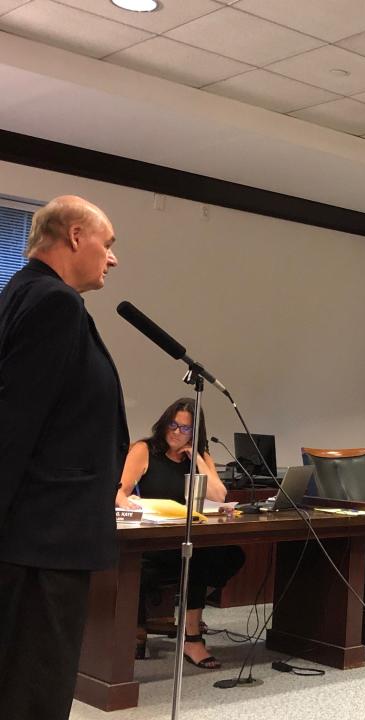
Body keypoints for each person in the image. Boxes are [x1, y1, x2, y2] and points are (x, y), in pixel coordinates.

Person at [0, 195, 127, 719]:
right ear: (76, 236)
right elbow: (14, 425)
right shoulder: (54, 303)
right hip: (43, 543)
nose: (112, 258)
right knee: (34, 690)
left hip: (36, 536)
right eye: (109, 243)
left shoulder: (21, 291)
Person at [117, 398, 245, 668]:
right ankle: (190, 634)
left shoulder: (197, 457)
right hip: (150, 540)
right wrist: (126, 502)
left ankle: (190, 623)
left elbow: (219, 495)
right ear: (164, 423)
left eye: (185, 429)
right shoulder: (145, 449)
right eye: (173, 425)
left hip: (181, 539)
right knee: (195, 558)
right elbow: (120, 489)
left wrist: (198, 459)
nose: (177, 432)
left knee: (230, 555)